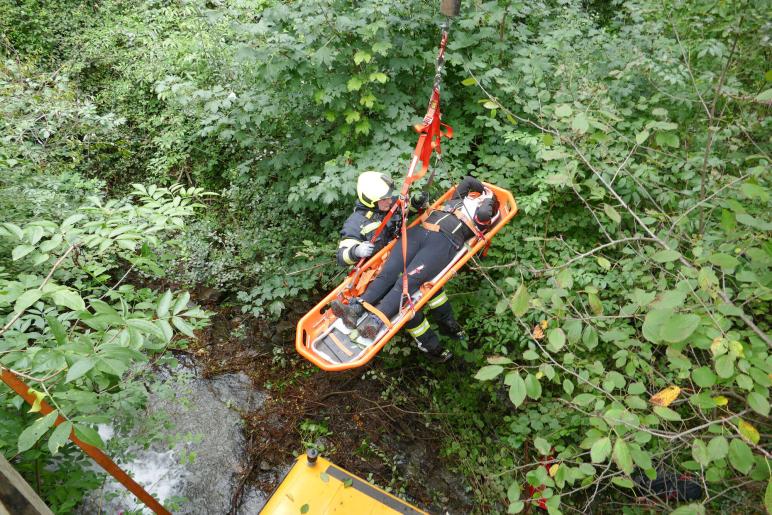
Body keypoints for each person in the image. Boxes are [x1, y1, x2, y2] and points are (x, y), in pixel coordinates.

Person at [333, 172, 497, 361]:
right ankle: (356, 309)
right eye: (384, 199)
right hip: (415, 236)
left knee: (408, 284)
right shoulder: (356, 222)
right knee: (389, 272)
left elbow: (485, 212)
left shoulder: (480, 215)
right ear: (372, 201)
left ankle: (375, 321)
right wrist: (356, 251)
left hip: (443, 242)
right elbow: (467, 182)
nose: (389, 201)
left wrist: (488, 196)